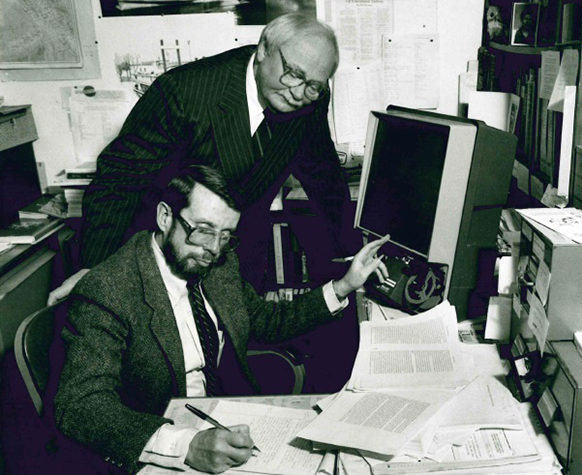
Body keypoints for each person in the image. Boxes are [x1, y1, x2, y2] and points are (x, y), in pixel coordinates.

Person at [54, 166, 389, 473]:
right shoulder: (109, 289)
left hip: (224, 418)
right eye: (203, 230)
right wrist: (184, 444)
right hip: (156, 445)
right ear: (164, 216)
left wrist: (344, 285)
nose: (213, 249)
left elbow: (264, 320)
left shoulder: (218, 263)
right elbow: (82, 405)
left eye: (226, 235)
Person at [49, 12, 352, 303]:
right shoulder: (183, 93)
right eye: (294, 74)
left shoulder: (313, 98)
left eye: (313, 85)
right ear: (263, 50)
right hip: (168, 258)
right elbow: (117, 186)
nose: (299, 92)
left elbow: (324, 178)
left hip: (240, 259)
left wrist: (351, 254)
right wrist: (96, 270)